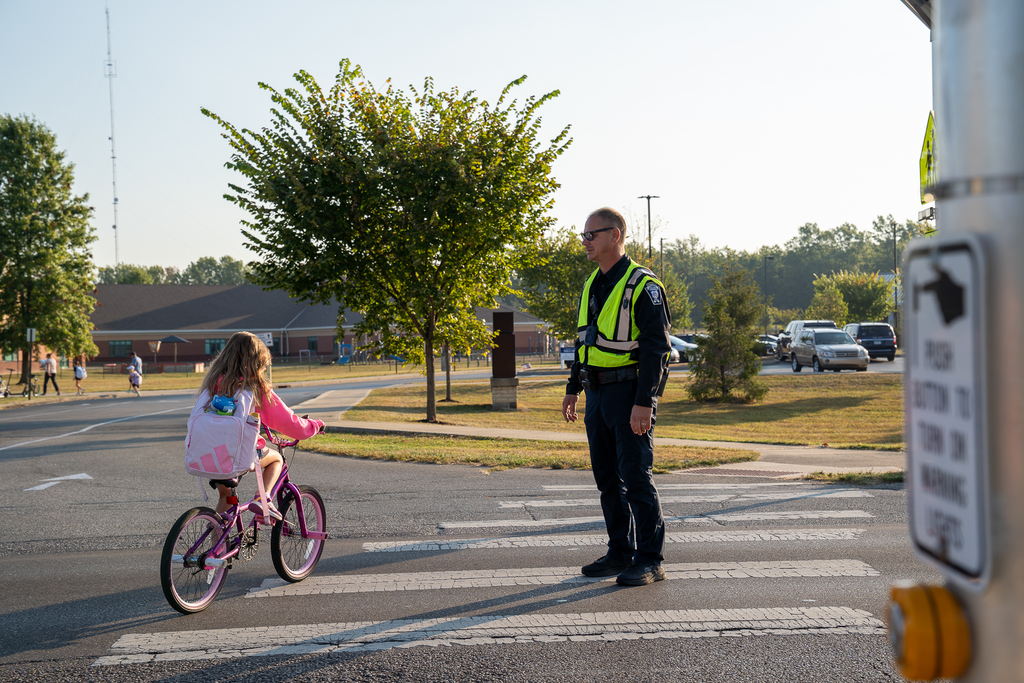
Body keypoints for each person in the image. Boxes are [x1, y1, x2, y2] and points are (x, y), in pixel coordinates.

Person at [562, 207, 672, 587]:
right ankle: (619, 551)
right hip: (597, 393)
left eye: (592, 235)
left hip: (629, 393)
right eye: (584, 236)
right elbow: (584, 341)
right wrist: (573, 388)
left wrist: (645, 402)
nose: (585, 242)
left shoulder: (644, 285)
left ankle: (650, 560)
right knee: (608, 478)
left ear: (616, 235)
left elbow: (658, 349)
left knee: (636, 476)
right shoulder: (593, 283)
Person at [195, 331, 324, 520]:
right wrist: (315, 425)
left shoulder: (214, 383)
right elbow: (289, 423)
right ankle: (263, 499)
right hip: (240, 455)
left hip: (212, 453)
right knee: (275, 460)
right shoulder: (255, 388)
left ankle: (219, 548)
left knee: (226, 500)